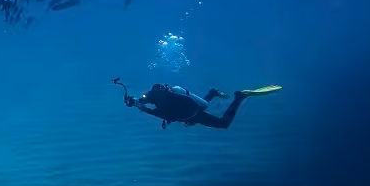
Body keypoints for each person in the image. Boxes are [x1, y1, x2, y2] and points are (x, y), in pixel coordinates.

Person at [112, 79, 282, 129]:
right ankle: (213, 93)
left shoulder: (162, 109)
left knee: (223, 123)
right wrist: (138, 105)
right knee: (200, 109)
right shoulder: (164, 103)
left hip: (191, 112)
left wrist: (139, 106)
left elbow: (159, 113)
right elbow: (185, 103)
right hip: (191, 110)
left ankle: (240, 97)